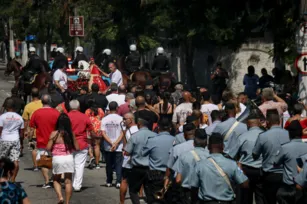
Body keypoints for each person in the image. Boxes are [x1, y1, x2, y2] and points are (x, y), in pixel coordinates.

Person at [190, 133, 249, 204]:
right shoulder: (232, 164)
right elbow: (245, 184)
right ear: (223, 146)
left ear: (208, 147)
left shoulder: (200, 165)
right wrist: (240, 169)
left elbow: (194, 187)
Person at [253, 109, 290, 204]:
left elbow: (255, 154)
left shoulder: (263, 136)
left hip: (270, 175)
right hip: (286, 174)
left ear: (268, 122)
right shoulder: (289, 134)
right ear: (280, 121)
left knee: (269, 200)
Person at [46, 113, 79, 204]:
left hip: (57, 158)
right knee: (68, 181)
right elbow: (77, 147)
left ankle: (60, 197)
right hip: (68, 158)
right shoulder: (71, 134)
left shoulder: (54, 134)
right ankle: (67, 202)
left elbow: (48, 148)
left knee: (56, 179)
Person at [231, 114, 264, 204]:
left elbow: (233, 153)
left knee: (246, 197)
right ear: (259, 123)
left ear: (248, 125)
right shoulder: (265, 135)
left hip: (246, 170)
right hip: (261, 170)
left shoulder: (243, 136)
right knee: (260, 197)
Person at [141, 118, 175, 203]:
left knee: (153, 201)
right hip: (171, 174)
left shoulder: (152, 140)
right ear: (170, 128)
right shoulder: (176, 140)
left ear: (158, 127)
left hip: (155, 175)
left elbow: (143, 153)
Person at [30, 94, 60, 188]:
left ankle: (47, 181)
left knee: (43, 162)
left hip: (42, 141)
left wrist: (30, 139)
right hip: (55, 141)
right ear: (50, 101)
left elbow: (31, 128)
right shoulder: (56, 113)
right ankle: (53, 178)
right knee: (55, 161)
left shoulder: (36, 113)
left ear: (42, 102)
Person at [124, 118, 157, 204]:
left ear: (139, 124)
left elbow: (127, 152)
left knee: (133, 190)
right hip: (151, 167)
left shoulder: (135, 136)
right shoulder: (155, 135)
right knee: (149, 191)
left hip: (137, 167)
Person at [274, 120, 307, 204]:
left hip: (288, 188)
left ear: (289, 133)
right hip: (304, 186)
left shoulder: (284, 148)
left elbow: (276, 163)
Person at [173, 129, 209, 204]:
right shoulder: (210, 156)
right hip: (205, 193)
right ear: (206, 143)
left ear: (194, 143)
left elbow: (178, 180)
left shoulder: (183, 156)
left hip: (187, 193)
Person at [67, 100, 94, 192]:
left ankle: (70, 182)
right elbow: (91, 129)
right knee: (79, 165)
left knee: (70, 164)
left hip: (68, 143)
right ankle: (77, 185)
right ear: (79, 107)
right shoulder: (84, 116)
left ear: (70, 107)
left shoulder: (66, 116)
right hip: (81, 143)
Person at [0, 98, 24, 182]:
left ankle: (2, 177)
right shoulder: (19, 118)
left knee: (2, 160)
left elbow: (0, 130)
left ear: (6, 107)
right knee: (15, 160)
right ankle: (13, 179)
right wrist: (21, 144)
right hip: (15, 140)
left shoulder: (2, 117)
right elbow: (21, 133)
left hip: (4, 140)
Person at [101, 101, 124, 188]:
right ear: (117, 108)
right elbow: (123, 132)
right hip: (118, 145)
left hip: (108, 145)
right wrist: (116, 143)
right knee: (118, 164)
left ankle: (109, 181)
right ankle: (118, 181)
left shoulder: (104, 119)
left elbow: (103, 133)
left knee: (109, 164)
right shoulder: (121, 119)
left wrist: (111, 143)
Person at [120, 112, 139, 204]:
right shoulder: (135, 130)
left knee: (124, 181)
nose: (123, 121)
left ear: (130, 120)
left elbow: (126, 146)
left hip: (129, 159)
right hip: (138, 158)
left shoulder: (130, 131)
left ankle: (122, 202)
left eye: (124, 119)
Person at [22, 88, 43, 170]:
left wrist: (25, 131)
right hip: (44, 129)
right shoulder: (43, 104)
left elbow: (26, 121)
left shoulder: (28, 106)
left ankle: (36, 166)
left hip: (34, 130)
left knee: (34, 148)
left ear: (31, 95)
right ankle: (43, 163)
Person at [85, 98, 104, 169]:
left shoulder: (87, 111)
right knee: (97, 146)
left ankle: (91, 156)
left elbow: (86, 120)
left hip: (90, 130)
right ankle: (97, 163)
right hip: (98, 129)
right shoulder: (100, 110)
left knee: (89, 145)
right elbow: (102, 118)